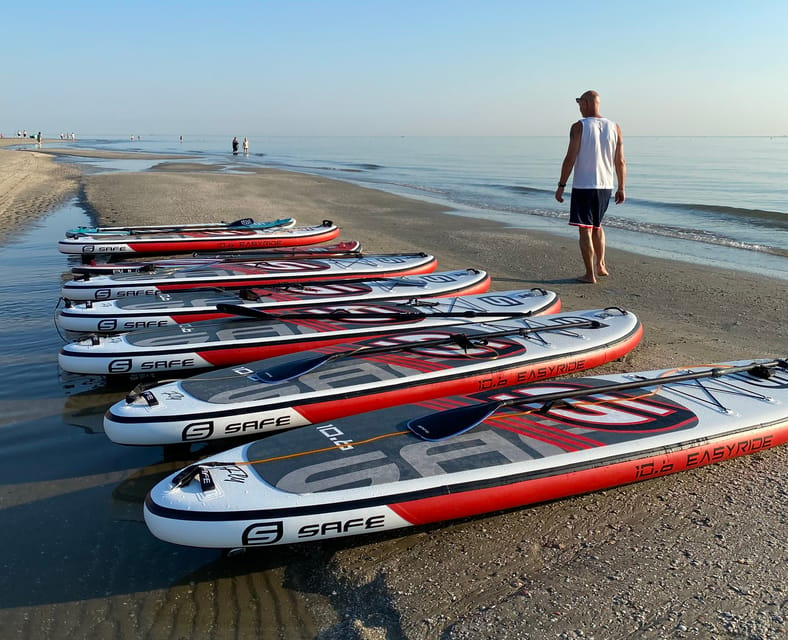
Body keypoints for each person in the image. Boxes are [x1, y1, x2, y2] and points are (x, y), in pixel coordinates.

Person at [555, 90, 626, 283]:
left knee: (585, 229)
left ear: (586, 103)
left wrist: (561, 185)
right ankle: (601, 264)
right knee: (597, 226)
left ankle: (589, 274)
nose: (579, 108)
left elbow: (570, 159)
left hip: (584, 185)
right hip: (605, 186)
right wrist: (621, 187)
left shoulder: (579, 127)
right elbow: (620, 161)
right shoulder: (614, 127)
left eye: (580, 104)